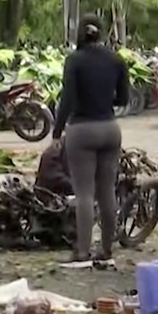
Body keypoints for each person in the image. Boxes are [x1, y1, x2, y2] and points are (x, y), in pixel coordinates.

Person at [52, 14, 130, 268]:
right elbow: (124, 98)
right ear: (103, 32)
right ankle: (107, 249)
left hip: (81, 130)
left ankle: (83, 251)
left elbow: (68, 99)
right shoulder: (116, 59)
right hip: (109, 128)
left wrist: (57, 132)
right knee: (107, 190)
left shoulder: (74, 60)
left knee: (84, 193)